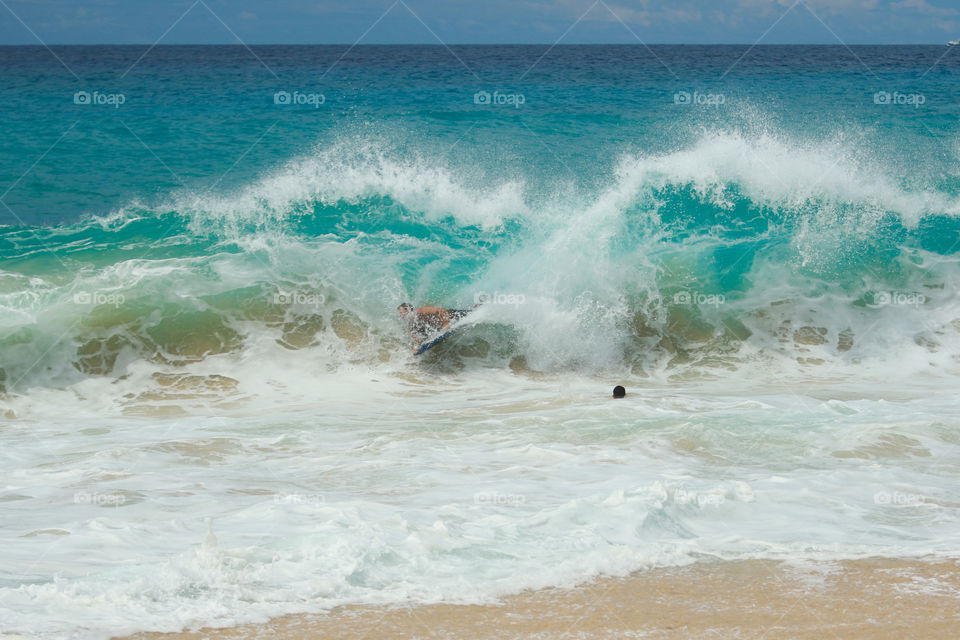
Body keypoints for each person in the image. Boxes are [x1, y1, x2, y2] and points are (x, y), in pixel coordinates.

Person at [398, 303, 472, 349]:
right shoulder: (411, 326)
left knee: (474, 313)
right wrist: (417, 347)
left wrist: (446, 324)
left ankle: (477, 306)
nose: (401, 316)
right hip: (439, 327)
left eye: (401, 312)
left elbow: (442, 311)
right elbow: (416, 340)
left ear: (407, 309)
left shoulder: (422, 310)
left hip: (452, 316)